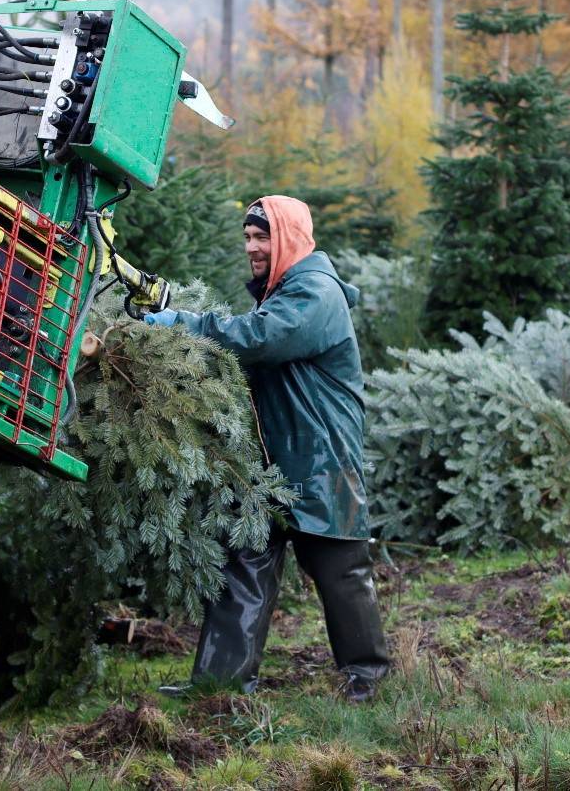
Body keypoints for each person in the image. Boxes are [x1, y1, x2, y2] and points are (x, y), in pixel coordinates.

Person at [143, 195, 390, 702]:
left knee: (341, 569)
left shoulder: (315, 293)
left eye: (264, 236)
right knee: (245, 563)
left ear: (292, 237)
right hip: (271, 461)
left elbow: (261, 339)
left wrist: (185, 324)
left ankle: (369, 680)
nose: (253, 248)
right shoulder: (284, 289)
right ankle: (220, 685)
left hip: (322, 458)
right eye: (249, 237)